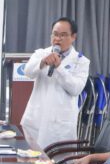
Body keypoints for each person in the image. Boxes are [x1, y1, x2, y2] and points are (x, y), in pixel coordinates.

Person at [19, 17, 90, 149]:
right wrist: (42, 62)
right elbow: (28, 72)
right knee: (31, 158)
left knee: (57, 160)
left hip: (59, 125)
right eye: (55, 34)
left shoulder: (81, 61)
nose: (57, 39)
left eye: (63, 35)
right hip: (36, 119)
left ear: (73, 37)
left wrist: (59, 68)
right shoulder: (41, 53)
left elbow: (75, 89)